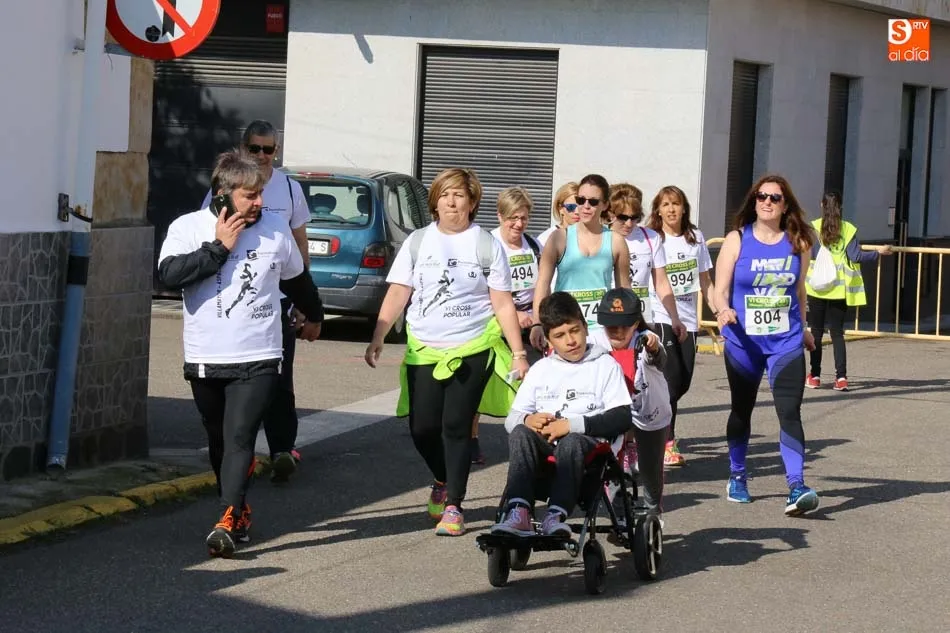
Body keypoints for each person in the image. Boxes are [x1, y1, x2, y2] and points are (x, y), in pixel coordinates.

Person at [158, 150, 325, 556]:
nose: (259, 202)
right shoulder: (187, 227)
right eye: (250, 195)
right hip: (206, 356)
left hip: (259, 353)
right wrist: (219, 247)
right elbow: (169, 275)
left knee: (239, 436)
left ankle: (227, 518)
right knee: (219, 440)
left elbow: (298, 281)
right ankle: (238, 508)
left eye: (260, 193)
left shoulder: (274, 229)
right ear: (222, 194)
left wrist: (315, 315)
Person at [364, 168, 530, 537]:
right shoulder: (418, 241)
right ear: (435, 202)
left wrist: (519, 352)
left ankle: (454, 504)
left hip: (472, 346)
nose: (451, 202)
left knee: (456, 425)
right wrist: (378, 334)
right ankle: (442, 478)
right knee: (422, 427)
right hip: (424, 348)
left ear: (472, 202)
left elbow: (502, 303)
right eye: (444, 195)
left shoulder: (485, 245)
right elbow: (399, 290)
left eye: (459, 195)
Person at [201, 119, 311, 483]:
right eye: (255, 148)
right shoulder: (224, 187)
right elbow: (204, 230)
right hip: (233, 302)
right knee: (234, 386)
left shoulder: (290, 189)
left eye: (269, 149)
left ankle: (282, 449)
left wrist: (303, 300)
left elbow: (300, 243)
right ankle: (239, 452)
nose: (262, 155)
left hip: (277, 299)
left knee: (280, 377)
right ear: (243, 148)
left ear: (276, 152)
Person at [711, 174, 820, 516]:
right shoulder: (737, 239)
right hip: (743, 341)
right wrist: (722, 309)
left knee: (789, 412)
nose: (767, 202)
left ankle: (796, 485)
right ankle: (737, 476)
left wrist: (804, 328)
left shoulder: (799, 241)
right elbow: (719, 289)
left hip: (785, 341)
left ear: (785, 205)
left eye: (775, 198)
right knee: (741, 409)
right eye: (761, 196)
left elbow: (799, 290)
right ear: (754, 201)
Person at [490, 292, 633, 537]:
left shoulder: (605, 365)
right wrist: (527, 419)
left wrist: (570, 425)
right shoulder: (541, 369)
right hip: (547, 445)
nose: (570, 340)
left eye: (574, 331)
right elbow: (511, 419)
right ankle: (519, 511)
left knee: (571, 442)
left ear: (585, 328)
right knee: (520, 433)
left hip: (590, 446)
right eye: (559, 335)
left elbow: (622, 417)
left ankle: (555, 515)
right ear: (548, 340)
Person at [468, 187, 543, 465]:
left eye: (523, 218)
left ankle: (531, 444)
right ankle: (470, 438)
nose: (518, 224)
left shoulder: (534, 246)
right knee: (480, 386)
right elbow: (480, 291)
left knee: (532, 386)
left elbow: (542, 286)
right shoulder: (488, 245)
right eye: (513, 218)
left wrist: (536, 319)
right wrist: (513, 314)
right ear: (500, 216)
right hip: (493, 325)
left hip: (529, 326)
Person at [646, 185, 715, 468]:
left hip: (688, 319)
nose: (671, 209)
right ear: (658, 210)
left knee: (683, 382)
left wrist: (719, 311)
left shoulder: (695, 237)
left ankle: (653, 429)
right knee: (671, 383)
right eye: (665, 204)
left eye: (676, 203)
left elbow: (705, 282)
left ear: (684, 207)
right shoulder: (654, 238)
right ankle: (666, 441)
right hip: (662, 316)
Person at [588, 288, 671, 519]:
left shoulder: (645, 339)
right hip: (613, 412)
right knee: (612, 465)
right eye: (611, 326)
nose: (617, 331)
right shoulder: (593, 341)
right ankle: (620, 516)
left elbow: (661, 359)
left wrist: (653, 348)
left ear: (635, 323)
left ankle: (653, 513)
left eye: (624, 325)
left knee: (651, 469)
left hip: (650, 412)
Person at [805, 191, 892, 391]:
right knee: (837, 333)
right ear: (841, 207)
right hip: (840, 289)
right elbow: (856, 256)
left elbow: (807, 254)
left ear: (821, 205)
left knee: (816, 332)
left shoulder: (813, 228)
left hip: (817, 288)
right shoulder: (848, 229)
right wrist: (878, 252)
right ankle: (841, 377)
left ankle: (815, 376)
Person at [531, 174, 631, 347]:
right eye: (581, 200)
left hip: (602, 329)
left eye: (593, 202)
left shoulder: (616, 241)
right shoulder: (559, 238)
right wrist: (537, 323)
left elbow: (624, 289)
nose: (585, 206)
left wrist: (631, 326)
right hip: (564, 328)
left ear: (605, 205)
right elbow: (542, 284)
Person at [537, 182, 579, 248]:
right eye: (571, 207)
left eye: (581, 207)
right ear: (560, 209)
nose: (577, 212)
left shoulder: (591, 236)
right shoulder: (546, 238)